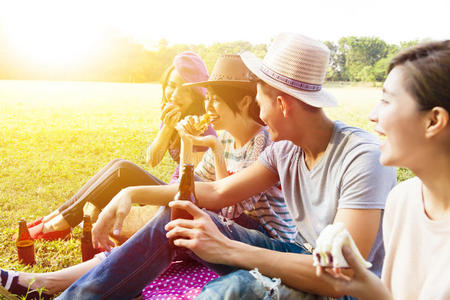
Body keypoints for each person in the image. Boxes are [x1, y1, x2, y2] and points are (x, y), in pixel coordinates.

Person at [46, 33, 396, 300]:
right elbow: (215, 192)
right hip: (299, 254)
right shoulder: (285, 150)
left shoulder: (360, 156)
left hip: (340, 286)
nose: (257, 111)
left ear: (282, 103)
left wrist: (228, 249)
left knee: (229, 292)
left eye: (259, 98)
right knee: (179, 216)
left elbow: (341, 275)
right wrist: (130, 191)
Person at [0, 54, 297, 299]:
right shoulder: (228, 138)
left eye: (215, 100)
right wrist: (184, 141)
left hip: (263, 239)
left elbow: (229, 203)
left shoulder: (263, 143)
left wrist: (213, 152)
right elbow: (191, 188)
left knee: (172, 217)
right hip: (228, 229)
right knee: (164, 228)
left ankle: (61, 285)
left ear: (244, 103)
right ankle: (51, 281)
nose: (208, 108)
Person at [26, 51, 215, 241]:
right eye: (172, 86)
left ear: (197, 94)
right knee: (117, 164)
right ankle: (55, 217)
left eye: (185, 90)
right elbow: (152, 160)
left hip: (181, 197)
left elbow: (192, 184)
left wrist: (186, 135)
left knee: (122, 170)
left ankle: (58, 224)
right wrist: (167, 127)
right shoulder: (174, 116)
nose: (175, 95)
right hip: (171, 189)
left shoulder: (201, 127)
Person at [315, 40, 450, 300]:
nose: (372, 115)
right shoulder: (402, 200)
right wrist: (364, 284)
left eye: (386, 101)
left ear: (433, 121)